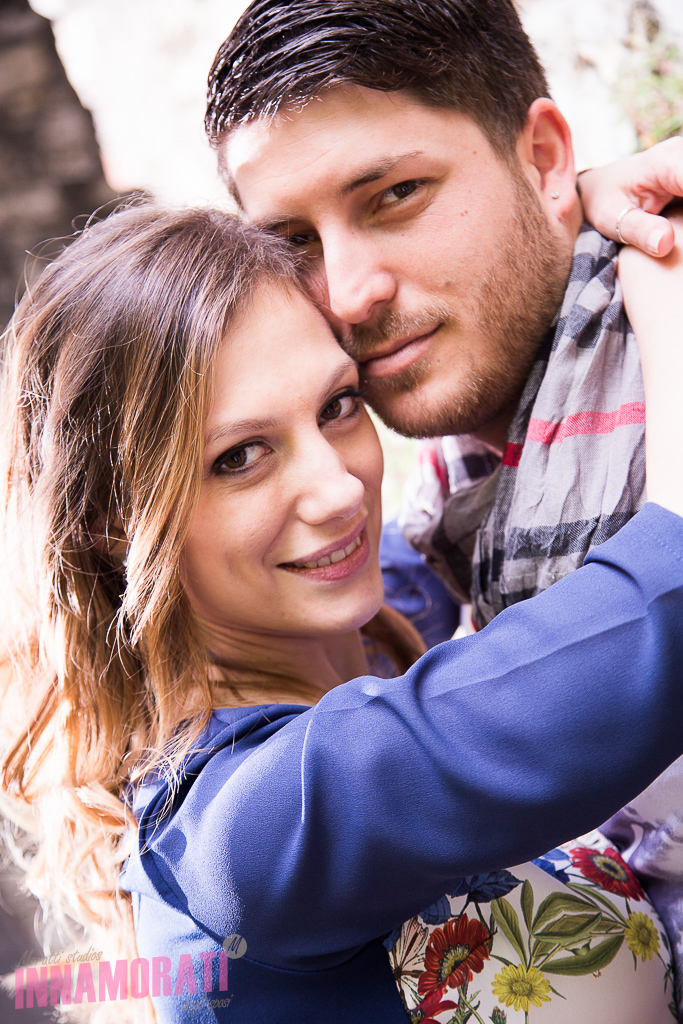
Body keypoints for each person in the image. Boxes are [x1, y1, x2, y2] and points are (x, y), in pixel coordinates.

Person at [2, 201, 683, 1024]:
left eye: (337, 406)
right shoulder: (244, 829)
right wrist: (661, 267)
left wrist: (577, 203)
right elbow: (654, 610)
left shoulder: (350, 636)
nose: (338, 489)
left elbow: (450, 507)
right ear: (112, 525)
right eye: (239, 457)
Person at [203, 0, 683, 1011]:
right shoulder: (444, 499)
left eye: (394, 194)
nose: (346, 292)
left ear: (547, 158)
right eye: (290, 237)